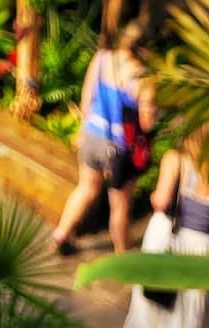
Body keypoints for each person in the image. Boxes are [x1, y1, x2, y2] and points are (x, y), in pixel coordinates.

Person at [125, 125, 209, 328]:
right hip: (203, 247)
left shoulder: (175, 159)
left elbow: (162, 201)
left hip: (167, 238)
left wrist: (153, 197)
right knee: (192, 312)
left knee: (150, 311)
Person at [53, 21, 153, 254]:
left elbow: (87, 98)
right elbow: (147, 122)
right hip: (118, 147)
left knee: (86, 188)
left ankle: (61, 234)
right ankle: (121, 253)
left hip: (91, 134)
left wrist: (81, 130)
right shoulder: (140, 77)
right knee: (120, 205)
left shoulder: (101, 59)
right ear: (144, 49)